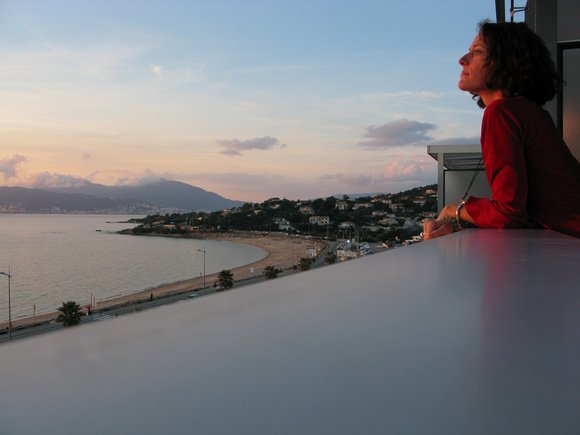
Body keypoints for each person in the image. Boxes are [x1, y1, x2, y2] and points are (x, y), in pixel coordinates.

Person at [424, 21, 580, 240]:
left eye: (477, 52)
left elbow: (509, 213)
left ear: (506, 62)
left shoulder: (501, 113)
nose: (462, 60)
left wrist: (454, 211)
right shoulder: (526, 111)